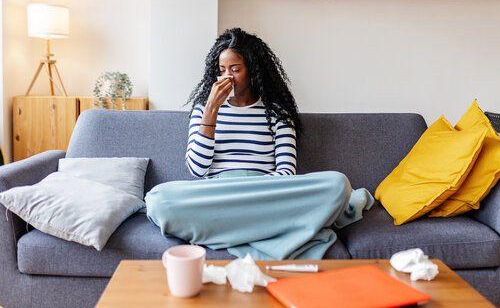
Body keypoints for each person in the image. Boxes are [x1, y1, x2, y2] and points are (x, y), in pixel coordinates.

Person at [146, 28, 374, 260]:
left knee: (337, 184)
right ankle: (264, 228)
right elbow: (197, 169)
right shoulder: (202, 112)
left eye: (235, 70)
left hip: (264, 193)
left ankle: (225, 229)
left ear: (253, 71)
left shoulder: (276, 113)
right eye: (221, 70)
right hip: (218, 193)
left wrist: (251, 192)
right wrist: (211, 110)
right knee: (157, 200)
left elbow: (286, 172)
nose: (227, 77)